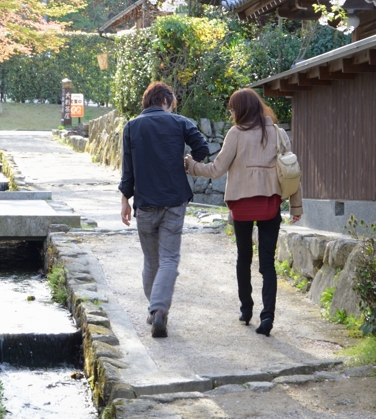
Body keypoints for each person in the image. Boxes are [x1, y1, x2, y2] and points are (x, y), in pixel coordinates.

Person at [185, 88, 302, 337]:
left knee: (244, 257)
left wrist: (192, 167)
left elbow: (217, 169)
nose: (231, 113)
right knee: (267, 262)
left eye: (233, 108)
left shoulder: (236, 134)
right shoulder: (279, 133)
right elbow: (291, 170)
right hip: (270, 203)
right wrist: (296, 206)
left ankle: (246, 309)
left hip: (242, 204)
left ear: (241, 109)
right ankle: (267, 316)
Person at [119, 81, 210, 338]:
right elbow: (202, 148)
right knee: (169, 259)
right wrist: (187, 162)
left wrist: (125, 199)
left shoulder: (131, 126)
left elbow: (128, 169)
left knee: (151, 260)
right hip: (174, 201)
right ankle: (159, 311)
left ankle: (154, 312)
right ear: (166, 100)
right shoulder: (180, 122)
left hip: (145, 203)